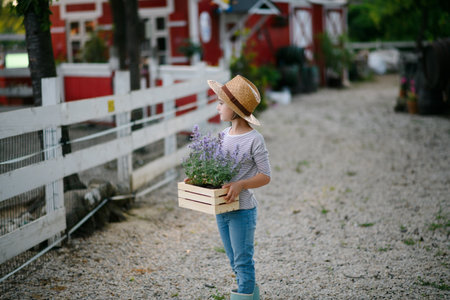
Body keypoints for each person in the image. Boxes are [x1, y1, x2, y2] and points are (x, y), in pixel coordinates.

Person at [207, 75, 271, 300]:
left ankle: (244, 294)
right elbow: (213, 169)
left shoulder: (254, 139)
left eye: (222, 103)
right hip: (222, 209)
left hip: (242, 211)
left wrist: (241, 184)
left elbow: (266, 176)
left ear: (234, 109)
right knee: (235, 261)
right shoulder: (222, 135)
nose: (218, 107)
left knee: (243, 262)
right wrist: (198, 179)